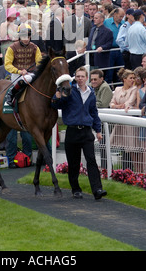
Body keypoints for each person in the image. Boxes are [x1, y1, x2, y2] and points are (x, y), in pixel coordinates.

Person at [51, 66, 106, 200]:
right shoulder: (69, 91)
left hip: (87, 132)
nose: (80, 79)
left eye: (82, 76)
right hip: (72, 131)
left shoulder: (91, 93)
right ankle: (75, 189)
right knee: (74, 162)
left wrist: (98, 130)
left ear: (86, 78)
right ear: (74, 78)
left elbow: (93, 112)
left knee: (91, 160)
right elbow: (57, 105)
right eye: (77, 76)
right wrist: (57, 96)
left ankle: (97, 189)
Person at [4, 24, 42, 168]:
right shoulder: (11, 48)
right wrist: (19, 71)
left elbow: (38, 62)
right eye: (24, 35)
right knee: (12, 133)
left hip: (30, 75)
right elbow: (7, 65)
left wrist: (32, 70)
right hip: (16, 75)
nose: (26, 39)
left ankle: (27, 157)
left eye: (28, 35)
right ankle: (10, 98)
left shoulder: (35, 47)